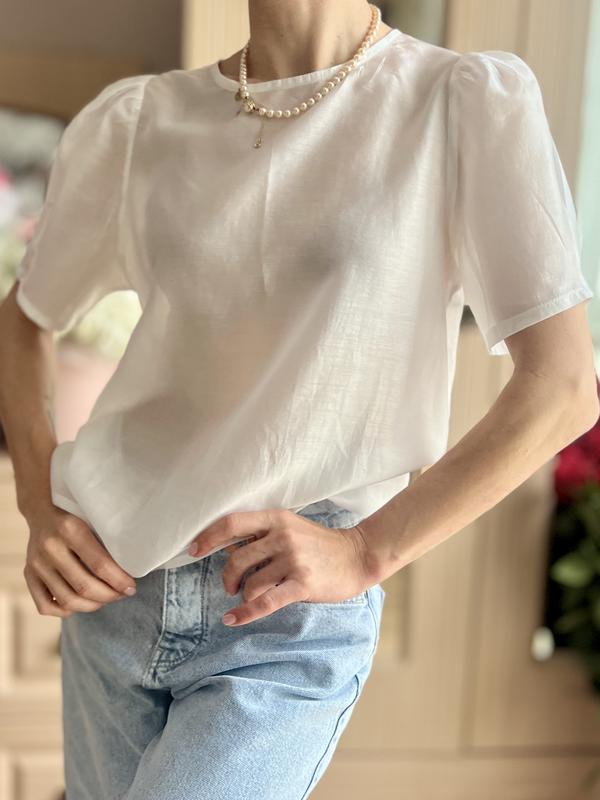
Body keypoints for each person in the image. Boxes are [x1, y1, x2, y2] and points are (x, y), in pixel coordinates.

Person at [0, 1, 597, 797]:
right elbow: (25, 316)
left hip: (281, 616)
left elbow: (562, 388)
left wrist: (369, 550)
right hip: (114, 593)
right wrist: (39, 500)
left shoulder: (457, 103)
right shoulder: (141, 121)